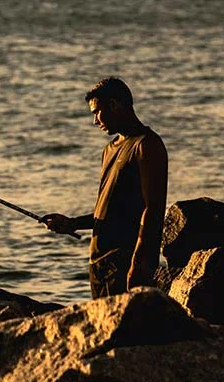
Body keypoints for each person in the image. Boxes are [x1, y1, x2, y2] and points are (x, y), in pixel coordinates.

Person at [42, 77, 169, 298]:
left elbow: (154, 209)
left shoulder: (146, 145)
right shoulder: (109, 149)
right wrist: (72, 223)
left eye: (96, 111)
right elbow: (111, 211)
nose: (95, 120)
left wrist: (138, 263)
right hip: (100, 265)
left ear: (114, 105)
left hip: (126, 263)